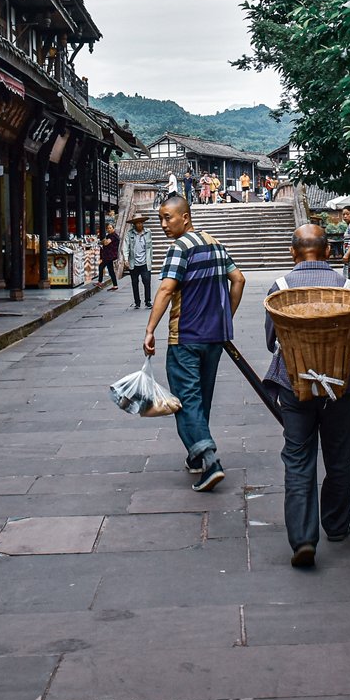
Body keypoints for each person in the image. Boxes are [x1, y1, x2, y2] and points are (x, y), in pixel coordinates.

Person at [265, 224, 350, 568]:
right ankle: (336, 525)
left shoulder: (281, 288)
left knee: (298, 458)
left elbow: (271, 342)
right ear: (328, 252)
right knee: (339, 459)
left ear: (293, 253)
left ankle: (303, 539)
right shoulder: (347, 288)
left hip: (295, 388)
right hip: (339, 388)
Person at [143, 194, 244, 492]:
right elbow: (238, 280)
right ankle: (196, 455)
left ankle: (209, 460)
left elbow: (165, 290)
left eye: (168, 217)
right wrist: (225, 318)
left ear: (185, 217)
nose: (163, 224)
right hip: (214, 337)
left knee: (186, 400)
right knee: (202, 398)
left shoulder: (179, 248)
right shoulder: (215, 243)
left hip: (184, 337)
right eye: (161, 218)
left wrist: (150, 330)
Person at [122, 213, 154, 308]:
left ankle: (147, 301)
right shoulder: (130, 234)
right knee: (135, 283)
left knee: (147, 282)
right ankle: (137, 302)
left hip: (145, 262)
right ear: (134, 224)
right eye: (137, 223)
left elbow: (150, 248)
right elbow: (126, 247)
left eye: (141, 223)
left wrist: (150, 260)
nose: (139, 225)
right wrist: (126, 259)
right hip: (134, 263)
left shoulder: (148, 232)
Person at [98, 227, 122, 291]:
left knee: (101, 266)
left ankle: (100, 282)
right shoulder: (109, 235)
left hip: (110, 255)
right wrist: (103, 241)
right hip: (108, 255)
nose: (109, 229)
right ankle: (115, 285)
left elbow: (105, 242)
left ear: (113, 229)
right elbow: (102, 242)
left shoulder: (114, 236)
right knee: (111, 270)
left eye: (110, 228)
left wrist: (104, 242)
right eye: (108, 228)